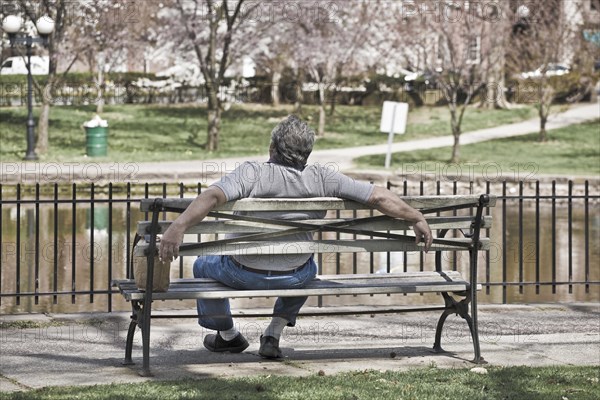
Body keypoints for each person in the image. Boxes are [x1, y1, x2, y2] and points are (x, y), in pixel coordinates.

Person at [159, 115, 432, 359]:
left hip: (241, 273)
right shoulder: (323, 177)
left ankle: (228, 336)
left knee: (201, 265)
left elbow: (211, 196)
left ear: (272, 149)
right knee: (308, 266)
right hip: (295, 275)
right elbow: (379, 196)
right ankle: (273, 333)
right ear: (307, 153)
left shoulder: (250, 173)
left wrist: (178, 227)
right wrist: (416, 217)